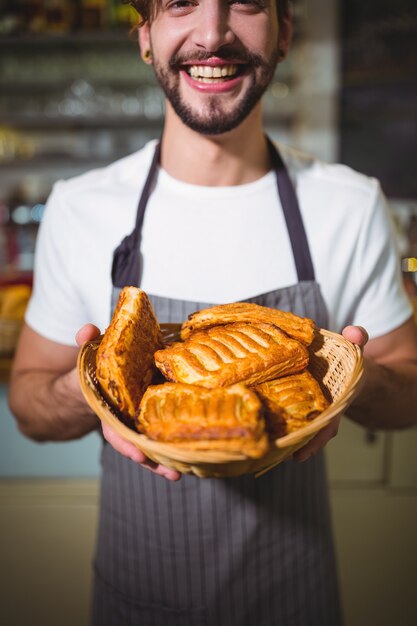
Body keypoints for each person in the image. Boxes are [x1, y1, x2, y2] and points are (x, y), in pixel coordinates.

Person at [8, 0, 417, 624]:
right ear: (146, 37)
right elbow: (29, 407)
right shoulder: (81, 207)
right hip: (137, 590)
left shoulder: (349, 204)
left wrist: (350, 381)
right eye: (180, 4)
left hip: (293, 591)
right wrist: (90, 389)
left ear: (284, 33)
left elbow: (409, 393)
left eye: (245, 2)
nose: (212, 34)